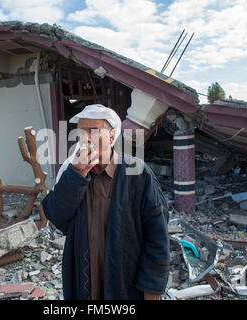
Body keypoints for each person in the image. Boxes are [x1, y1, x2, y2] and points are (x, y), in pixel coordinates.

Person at [42, 104, 170, 300]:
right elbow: (56, 217)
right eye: (81, 131)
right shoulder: (72, 171)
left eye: (93, 131)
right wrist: (76, 175)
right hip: (84, 283)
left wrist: (152, 288)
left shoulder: (137, 173)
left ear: (111, 137)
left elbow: (157, 236)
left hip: (127, 283)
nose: (84, 138)